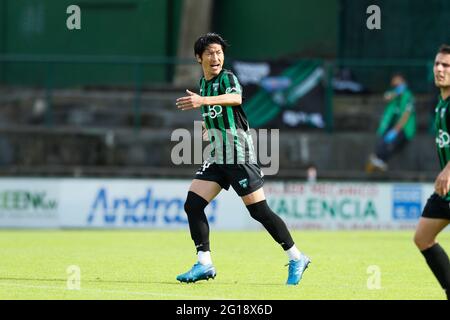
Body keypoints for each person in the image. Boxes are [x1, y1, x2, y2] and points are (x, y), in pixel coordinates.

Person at [175, 33, 310, 285]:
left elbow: (235, 99)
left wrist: (201, 101)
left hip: (238, 155)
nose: (216, 57)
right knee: (192, 204)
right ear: (198, 58)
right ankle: (204, 263)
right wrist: (208, 122)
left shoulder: (227, 78)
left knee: (259, 212)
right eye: (210, 53)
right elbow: (216, 110)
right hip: (217, 156)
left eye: (219, 53)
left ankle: (296, 257)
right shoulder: (203, 84)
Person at [413, 44, 450, 300]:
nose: (439, 69)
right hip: (446, 191)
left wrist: (448, 169)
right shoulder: (441, 105)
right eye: (437, 64)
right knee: (423, 237)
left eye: (446, 65)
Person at [366, 73, 416, 172]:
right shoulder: (394, 94)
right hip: (391, 125)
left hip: (404, 128)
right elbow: (386, 97)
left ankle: (379, 160)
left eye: (398, 81)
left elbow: (406, 115)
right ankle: (378, 160)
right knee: (382, 140)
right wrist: (397, 92)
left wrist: (396, 129)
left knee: (391, 142)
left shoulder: (408, 96)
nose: (396, 84)